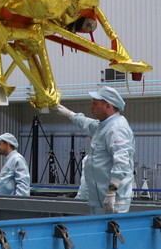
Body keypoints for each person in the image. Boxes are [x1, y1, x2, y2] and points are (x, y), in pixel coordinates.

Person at [54, 85, 134, 213]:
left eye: (95, 103)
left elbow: (121, 162)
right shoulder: (103, 126)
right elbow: (86, 123)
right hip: (100, 198)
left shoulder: (116, 128)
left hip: (114, 200)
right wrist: (68, 113)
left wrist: (112, 191)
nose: (91, 107)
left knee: (113, 231)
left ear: (108, 106)